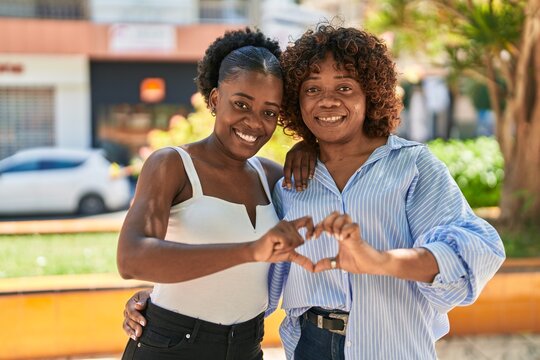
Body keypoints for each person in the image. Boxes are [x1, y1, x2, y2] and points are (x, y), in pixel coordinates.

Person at [124, 24, 505, 360]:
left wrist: (379, 260)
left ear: (370, 93)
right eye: (312, 89)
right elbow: (174, 248)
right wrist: (160, 302)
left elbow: (475, 248)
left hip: (382, 345)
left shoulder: (402, 166)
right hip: (293, 345)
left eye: (344, 87)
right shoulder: (279, 178)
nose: (328, 100)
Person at [116, 28, 319, 360]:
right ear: (214, 100)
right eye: (241, 104)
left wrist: (308, 147)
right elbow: (131, 259)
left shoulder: (271, 175)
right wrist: (250, 251)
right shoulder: (172, 165)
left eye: (269, 112)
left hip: (247, 346)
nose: (254, 122)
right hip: (172, 346)